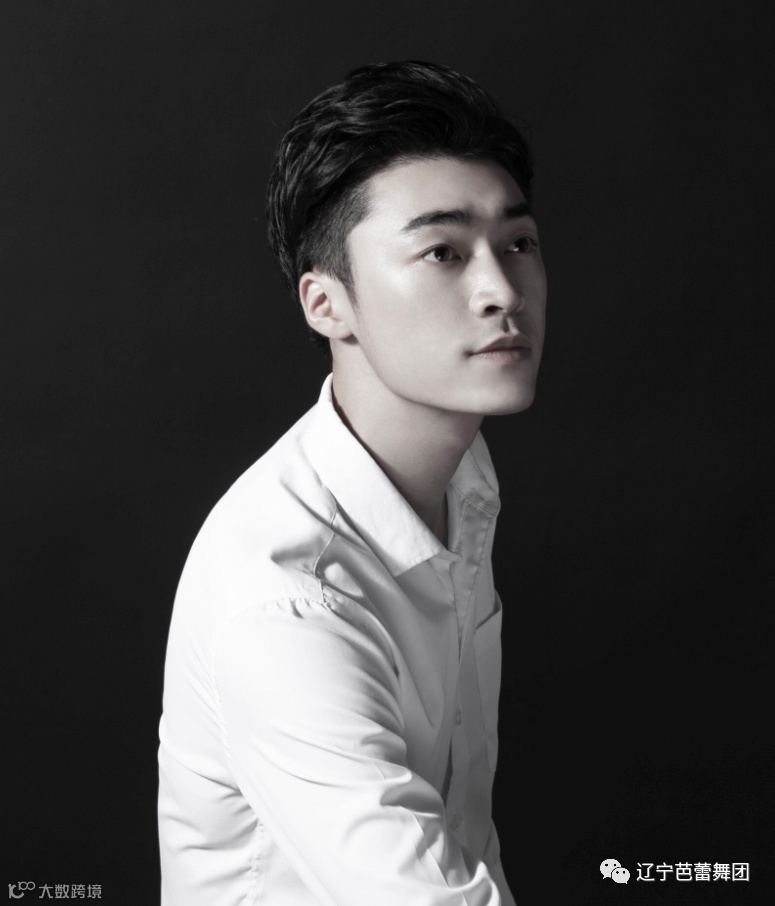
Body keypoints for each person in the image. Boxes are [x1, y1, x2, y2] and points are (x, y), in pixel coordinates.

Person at [158, 60, 547, 905]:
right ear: (326, 304)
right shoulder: (288, 601)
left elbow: (459, 841)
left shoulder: (461, 480)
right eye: (442, 252)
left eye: (517, 243)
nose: (501, 291)